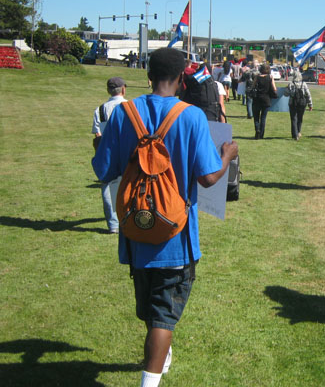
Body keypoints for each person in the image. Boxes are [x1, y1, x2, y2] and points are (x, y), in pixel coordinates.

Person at [92, 47, 238, 387]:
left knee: (152, 310)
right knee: (164, 317)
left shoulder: (124, 112)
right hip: (176, 236)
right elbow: (207, 178)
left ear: (148, 75)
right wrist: (227, 155)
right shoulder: (191, 116)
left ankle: (161, 356)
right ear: (182, 78)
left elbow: (103, 169)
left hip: (136, 229)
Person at [91, 77, 128, 234]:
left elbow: (97, 135)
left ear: (108, 90)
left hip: (108, 150)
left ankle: (113, 224)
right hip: (126, 148)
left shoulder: (100, 109)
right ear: (123, 89)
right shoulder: (129, 106)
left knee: (107, 187)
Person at [250, 63, 277, 139]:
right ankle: (261, 134)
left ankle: (257, 129)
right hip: (266, 99)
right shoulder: (270, 77)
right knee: (263, 118)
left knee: (256, 117)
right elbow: (274, 89)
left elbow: (253, 86)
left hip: (257, 99)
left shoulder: (257, 77)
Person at [284, 69, 313, 140]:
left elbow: (285, 94)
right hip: (302, 103)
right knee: (300, 118)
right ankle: (298, 131)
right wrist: (310, 104)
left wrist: (287, 89)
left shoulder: (291, 84)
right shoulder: (304, 84)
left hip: (293, 103)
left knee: (294, 118)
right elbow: (308, 94)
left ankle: (295, 134)